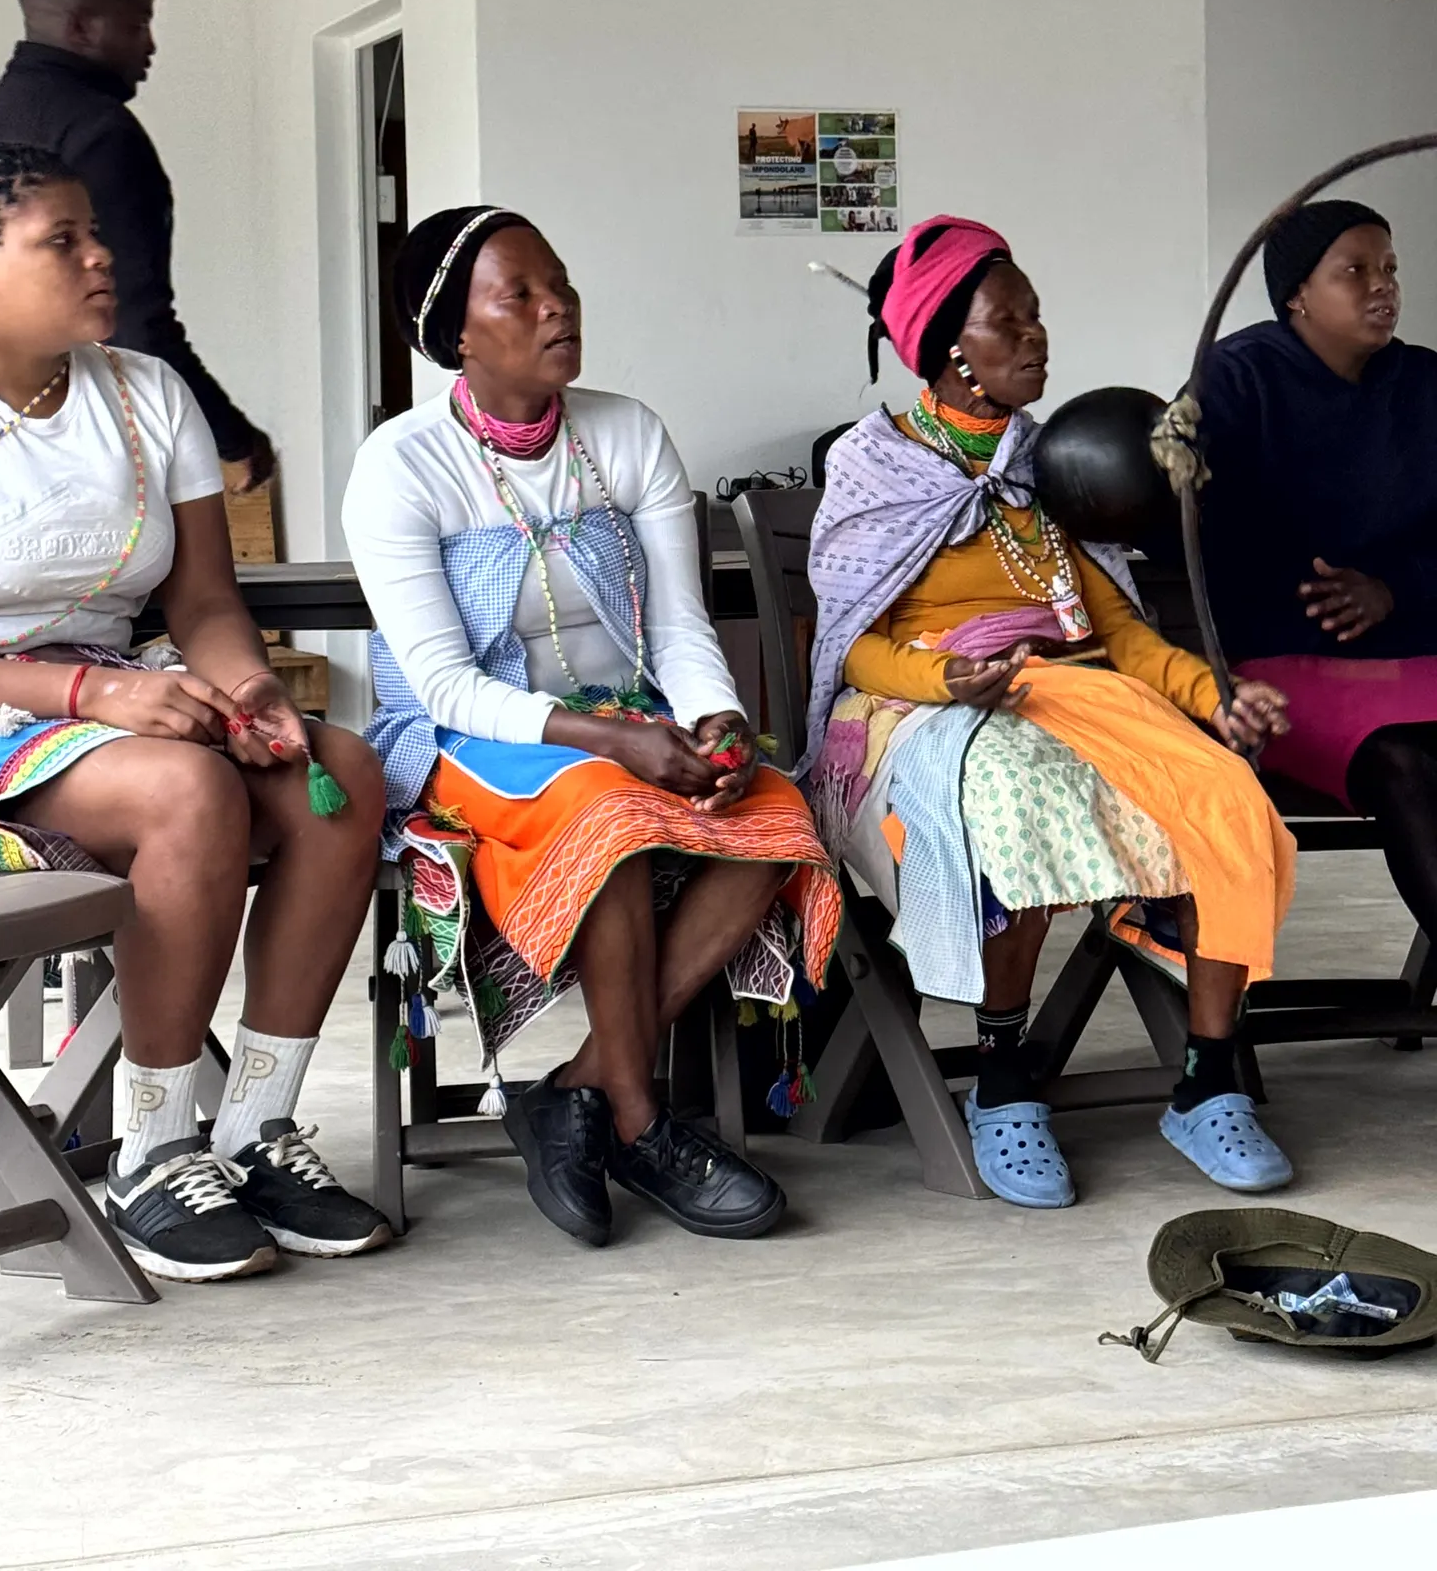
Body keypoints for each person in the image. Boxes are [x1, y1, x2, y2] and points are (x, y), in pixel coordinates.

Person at [343, 205, 840, 1247]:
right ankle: (640, 1116)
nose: (555, 305)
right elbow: (439, 683)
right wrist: (612, 742)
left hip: (635, 722)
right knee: (613, 812)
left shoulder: (625, 431)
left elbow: (679, 625)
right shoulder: (403, 464)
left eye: (559, 282)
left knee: (774, 813)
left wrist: (718, 722)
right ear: (455, 335)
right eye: (517, 294)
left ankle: (570, 1089)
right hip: (478, 738)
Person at [802, 214, 1296, 1209]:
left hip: (1076, 693)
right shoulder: (874, 464)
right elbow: (850, 642)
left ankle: (1206, 1081)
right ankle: (1002, 1075)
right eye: (1010, 322)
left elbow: (1117, 629)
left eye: (1035, 318)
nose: (1037, 337)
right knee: (1015, 790)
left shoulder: (1051, 461)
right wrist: (946, 685)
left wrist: (1215, 696)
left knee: (1222, 793)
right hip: (925, 705)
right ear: (950, 348)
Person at [0, 143, 388, 1282]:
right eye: (60, 239)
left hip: (124, 688)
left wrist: (246, 684)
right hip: (29, 702)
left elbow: (206, 600)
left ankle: (256, 1129)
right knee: (186, 790)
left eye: (96, 231)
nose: (99, 254)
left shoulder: (145, 393)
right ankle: (152, 1149)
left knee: (339, 772)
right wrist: (98, 692)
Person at [1200, 199, 1437, 974]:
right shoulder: (1234, 382)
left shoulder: (1425, 382)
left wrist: (1395, 589)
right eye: (1356, 271)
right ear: (1297, 292)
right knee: (1406, 761)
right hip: (1282, 665)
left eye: (1390, 269)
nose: (1383, 288)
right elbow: (1185, 525)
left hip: (1417, 650)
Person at [0, 0, 274, 492]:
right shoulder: (101, 136)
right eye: (136, 24)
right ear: (80, 27)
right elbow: (137, 321)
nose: (150, 45)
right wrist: (233, 439)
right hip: (77, 433)